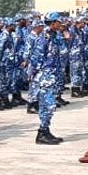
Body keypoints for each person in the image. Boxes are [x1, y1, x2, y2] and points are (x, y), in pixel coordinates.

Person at [33, 13, 67, 145]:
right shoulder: (45, 37)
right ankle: (42, 133)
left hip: (52, 74)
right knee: (48, 104)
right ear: (52, 23)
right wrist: (35, 73)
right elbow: (37, 56)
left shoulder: (54, 35)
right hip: (45, 75)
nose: (61, 24)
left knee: (49, 105)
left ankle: (45, 131)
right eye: (59, 22)